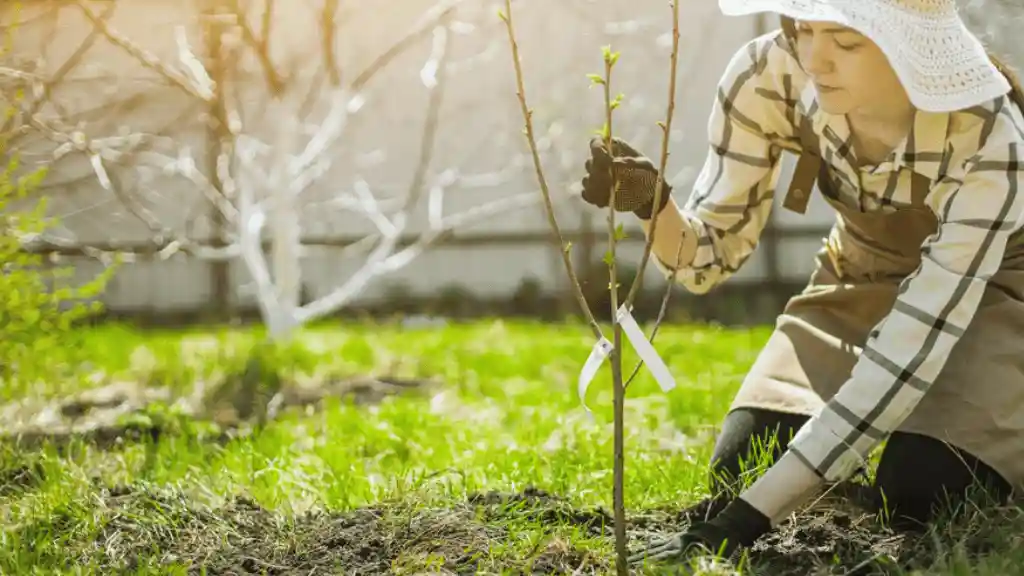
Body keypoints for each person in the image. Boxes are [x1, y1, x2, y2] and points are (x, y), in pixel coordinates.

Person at [578, 0, 1024, 567]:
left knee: (923, 493)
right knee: (747, 463)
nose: (815, 59)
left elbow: (906, 357)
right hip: (858, 277)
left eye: (847, 41)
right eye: (803, 28)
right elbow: (704, 260)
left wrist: (749, 518)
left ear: (910, 45)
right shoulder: (769, 75)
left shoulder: (988, 137)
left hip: (993, 293)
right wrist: (652, 203)